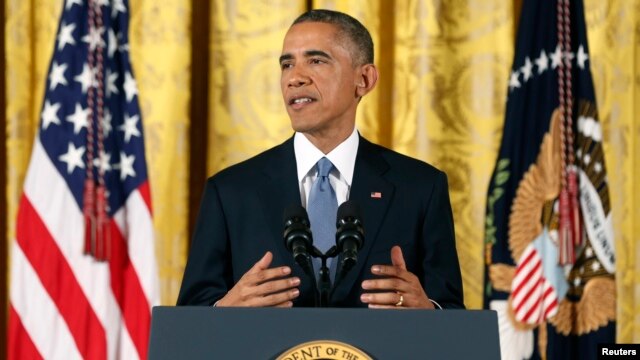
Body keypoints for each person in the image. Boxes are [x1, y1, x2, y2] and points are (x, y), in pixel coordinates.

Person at [177, 9, 464, 309]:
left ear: (364, 79)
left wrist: (429, 311)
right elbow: (186, 327)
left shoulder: (420, 188)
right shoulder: (231, 192)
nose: (295, 78)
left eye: (315, 61)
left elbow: (455, 323)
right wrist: (223, 312)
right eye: (287, 64)